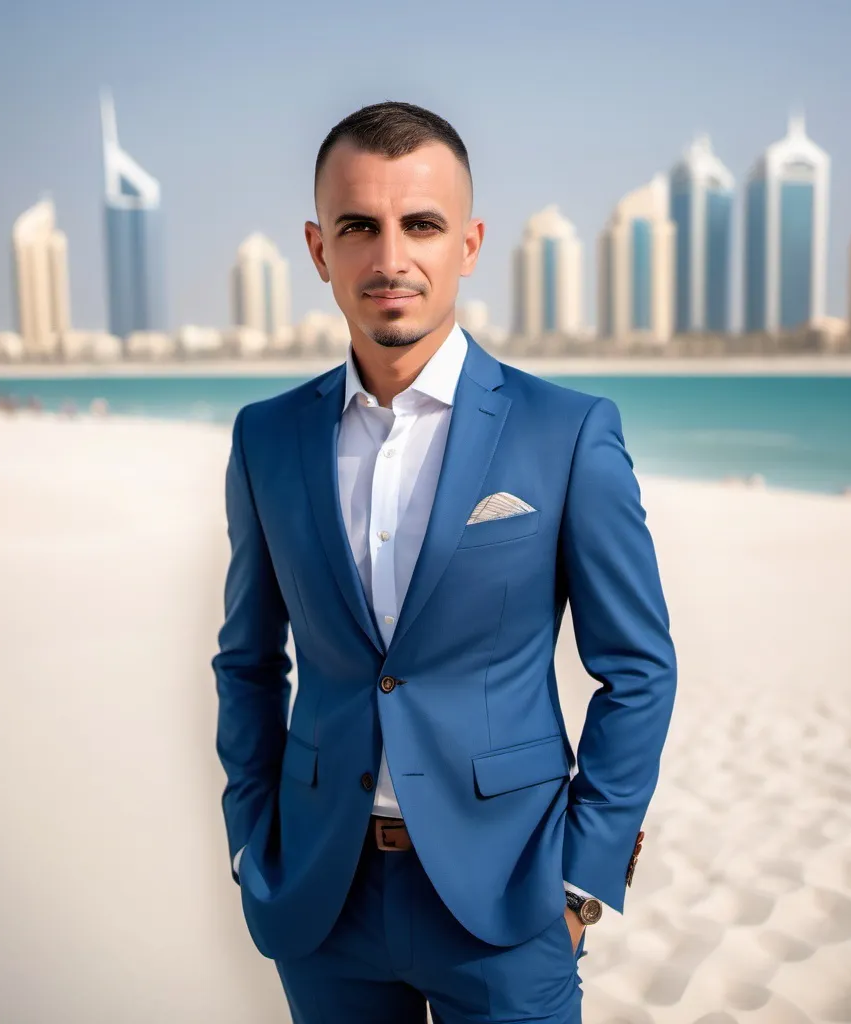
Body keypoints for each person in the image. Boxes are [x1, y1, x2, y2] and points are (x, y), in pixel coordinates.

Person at [213, 100, 677, 1024]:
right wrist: (250, 843)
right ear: (318, 249)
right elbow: (249, 661)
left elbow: (638, 670)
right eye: (359, 227)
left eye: (420, 225)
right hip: (321, 900)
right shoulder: (267, 439)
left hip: (509, 901)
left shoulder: (567, 433)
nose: (391, 260)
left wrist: (581, 880)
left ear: (467, 244)